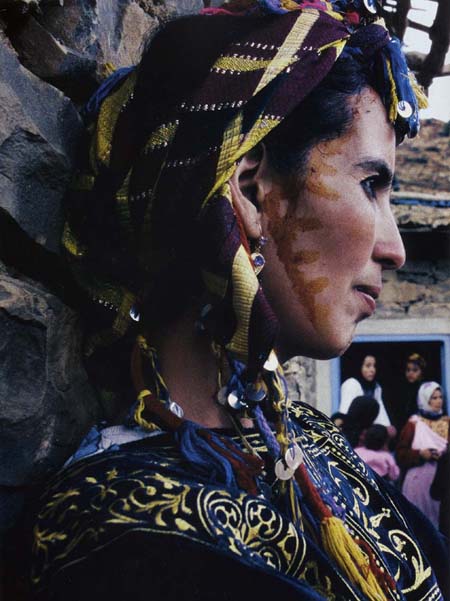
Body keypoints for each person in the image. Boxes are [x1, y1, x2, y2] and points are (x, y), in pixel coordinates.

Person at [28, 1, 449, 600]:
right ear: (251, 191)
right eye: (370, 184)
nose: (396, 249)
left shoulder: (311, 441)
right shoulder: (121, 537)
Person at [397, 381, 449, 529]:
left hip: (442, 480)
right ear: (425, 400)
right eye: (434, 398)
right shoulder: (414, 423)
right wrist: (420, 454)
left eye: (440, 397)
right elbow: (400, 454)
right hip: (418, 481)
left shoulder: (447, 423)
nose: (438, 401)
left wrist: (445, 455)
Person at [339, 355, 392, 426]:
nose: (372, 370)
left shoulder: (376, 387)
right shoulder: (351, 384)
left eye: (374, 366)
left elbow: (381, 414)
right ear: (359, 366)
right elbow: (345, 412)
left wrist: (387, 428)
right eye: (368, 366)